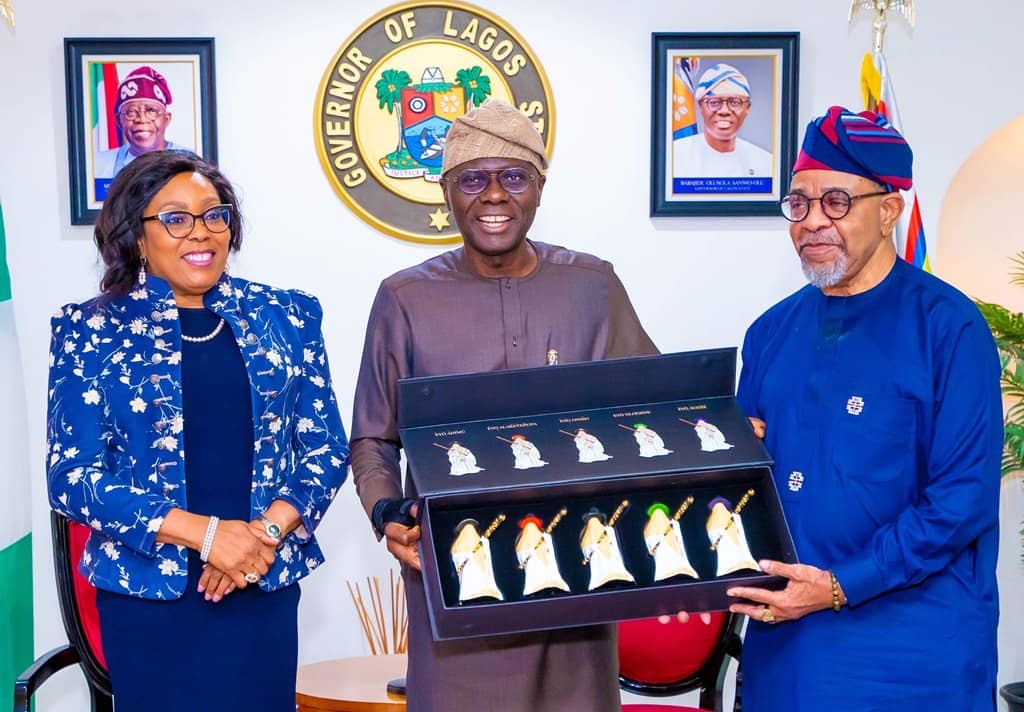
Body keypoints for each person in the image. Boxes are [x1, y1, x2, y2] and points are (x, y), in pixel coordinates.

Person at [350, 98, 657, 712]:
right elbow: (373, 438)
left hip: (579, 574)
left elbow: (650, 404)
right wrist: (388, 513)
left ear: (539, 186)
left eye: (513, 176)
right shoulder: (405, 298)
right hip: (457, 578)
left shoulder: (593, 285)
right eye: (472, 179)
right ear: (447, 192)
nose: (494, 196)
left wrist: (725, 426)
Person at [46, 150, 349, 711]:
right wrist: (209, 536)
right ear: (137, 237)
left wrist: (261, 538)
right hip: (151, 599)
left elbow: (326, 449)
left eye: (215, 214)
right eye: (176, 218)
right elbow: (72, 478)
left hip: (261, 585)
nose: (201, 233)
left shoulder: (288, 317)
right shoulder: (89, 329)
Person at [727, 106, 1002, 710]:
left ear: (889, 209)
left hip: (914, 647)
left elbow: (961, 502)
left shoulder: (949, 327)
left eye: (835, 201)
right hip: (790, 646)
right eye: (798, 203)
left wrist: (839, 587)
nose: (812, 222)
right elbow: (745, 488)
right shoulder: (770, 333)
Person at [672, 63, 772, 179]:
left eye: (734, 102)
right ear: (700, 106)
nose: (724, 111)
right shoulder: (674, 157)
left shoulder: (766, 163)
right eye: (714, 102)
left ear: (747, 108)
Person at [94, 66, 188, 181]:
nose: (142, 119)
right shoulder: (97, 165)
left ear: (166, 119)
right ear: (119, 121)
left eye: (151, 111)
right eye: (131, 112)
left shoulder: (191, 162)